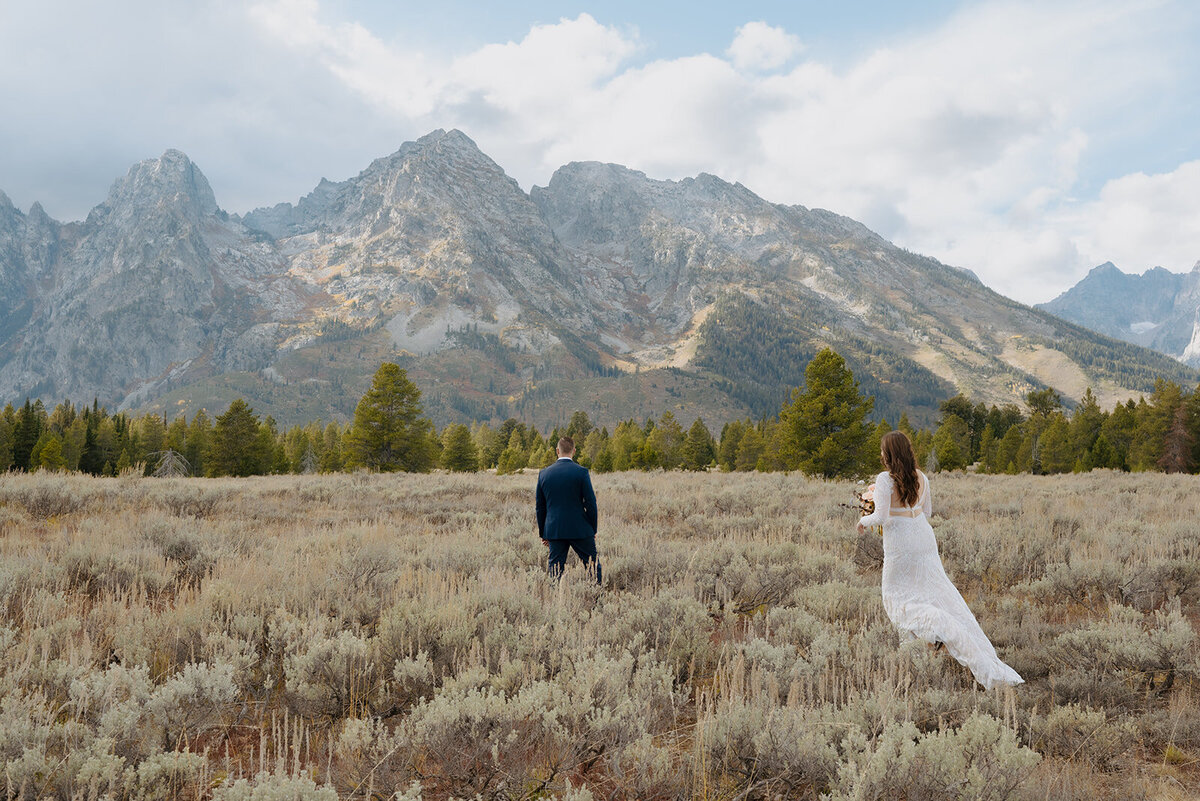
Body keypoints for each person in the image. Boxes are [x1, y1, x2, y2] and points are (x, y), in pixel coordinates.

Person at [857, 430, 1023, 690]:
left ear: (889, 454)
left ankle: (922, 649)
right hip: (923, 539)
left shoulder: (884, 480)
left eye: (882, 451)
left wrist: (862, 520)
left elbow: (881, 517)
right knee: (939, 593)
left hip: (901, 545)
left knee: (898, 598)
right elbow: (928, 511)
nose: (880, 455)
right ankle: (964, 656)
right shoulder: (922, 477)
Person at [535, 436, 601, 583]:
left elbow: (540, 507)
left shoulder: (544, 474)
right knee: (592, 566)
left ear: (557, 450)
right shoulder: (581, 472)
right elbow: (591, 503)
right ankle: (597, 600)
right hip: (580, 528)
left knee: (555, 571)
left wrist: (544, 534)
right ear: (574, 451)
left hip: (555, 530)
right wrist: (593, 529)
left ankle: (556, 602)